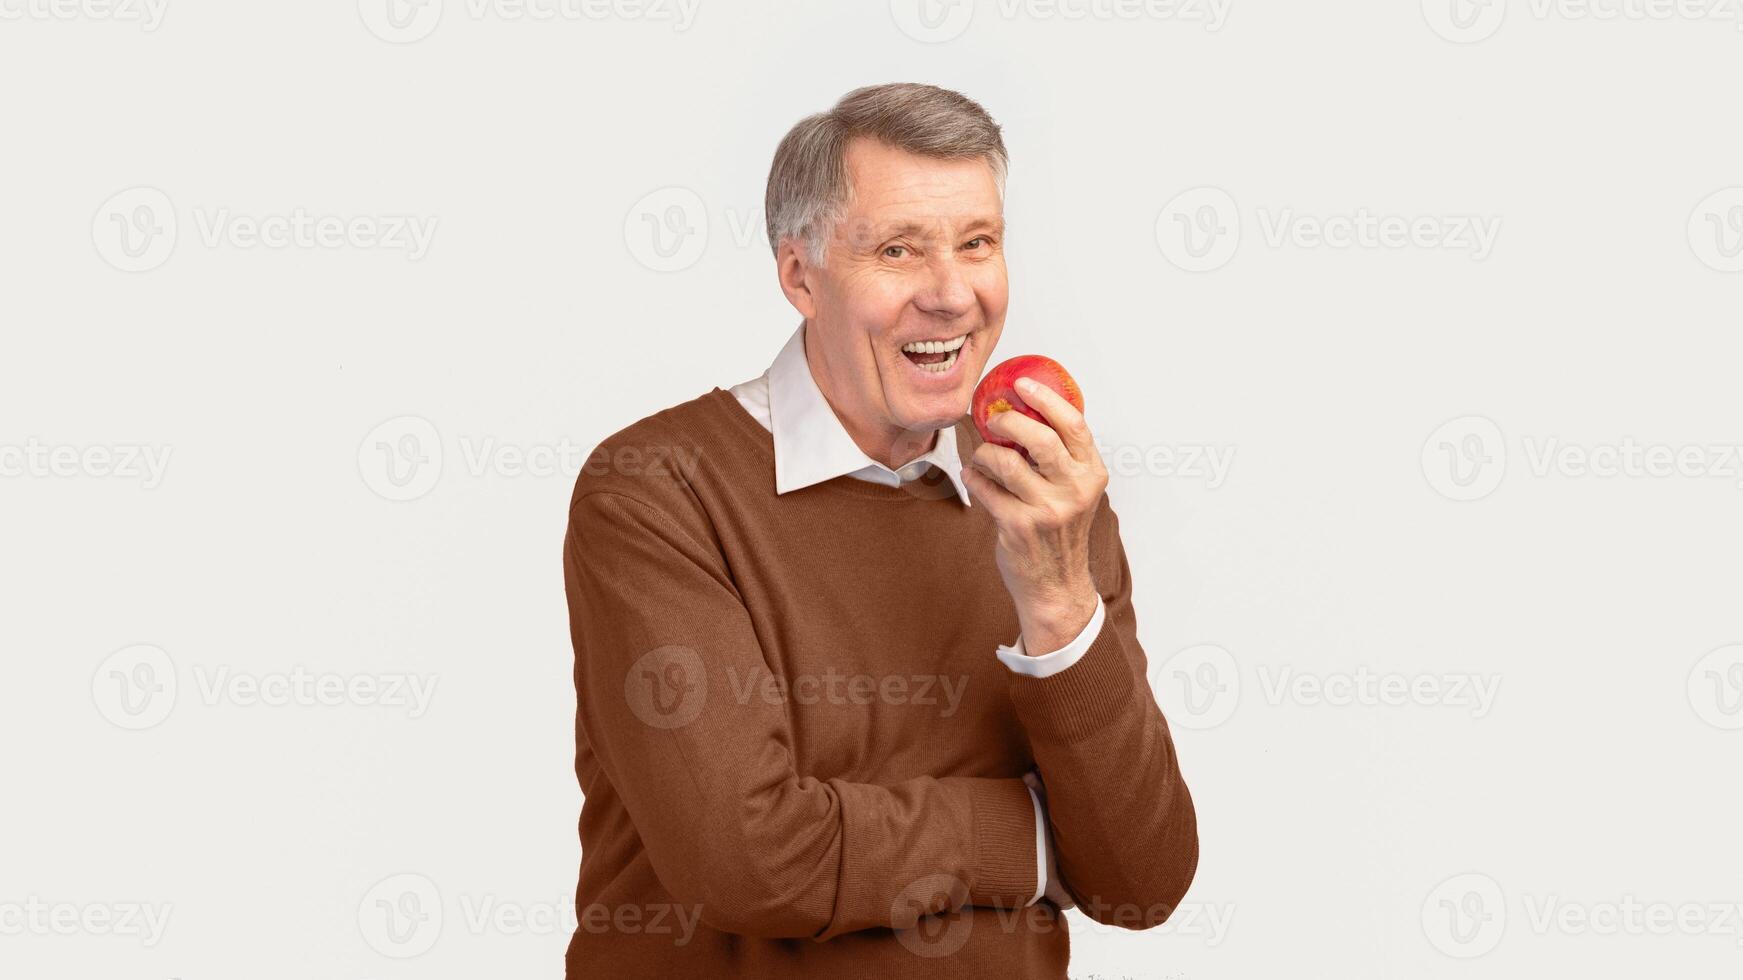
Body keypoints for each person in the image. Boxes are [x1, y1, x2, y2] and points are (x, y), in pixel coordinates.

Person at [561, 81, 1197, 979]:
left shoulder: (1044, 492)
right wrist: (1038, 843)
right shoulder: (657, 491)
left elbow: (1142, 875)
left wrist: (1056, 599)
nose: (949, 294)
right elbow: (751, 860)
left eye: (977, 243)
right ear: (798, 274)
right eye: (897, 249)